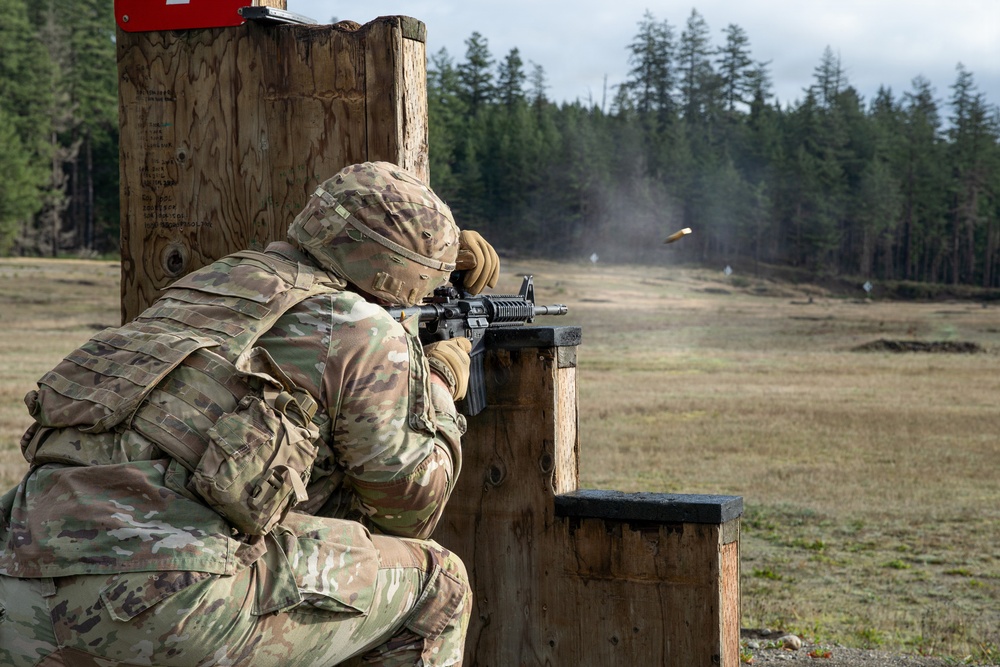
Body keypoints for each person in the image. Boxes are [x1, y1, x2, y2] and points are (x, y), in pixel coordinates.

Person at [0, 161, 500, 666]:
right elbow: (408, 508)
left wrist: (435, 247)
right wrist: (437, 383)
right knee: (439, 585)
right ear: (394, 271)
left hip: (18, 588)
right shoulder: (361, 326)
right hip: (160, 605)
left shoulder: (213, 283)